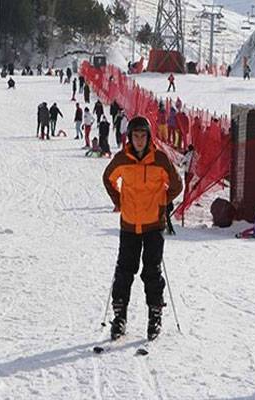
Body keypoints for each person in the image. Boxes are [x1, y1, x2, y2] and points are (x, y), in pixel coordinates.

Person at [102, 116, 183, 341]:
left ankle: (154, 317)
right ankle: (119, 319)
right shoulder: (122, 159)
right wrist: (119, 201)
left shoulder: (159, 159)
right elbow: (108, 179)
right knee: (124, 272)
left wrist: (162, 202)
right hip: (129, 224)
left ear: (148, 137)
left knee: (152, 273)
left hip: (153, 225)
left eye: (143, 136)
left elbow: (177, 184)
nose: (139, 140)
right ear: (130, 137)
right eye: (135, 136)